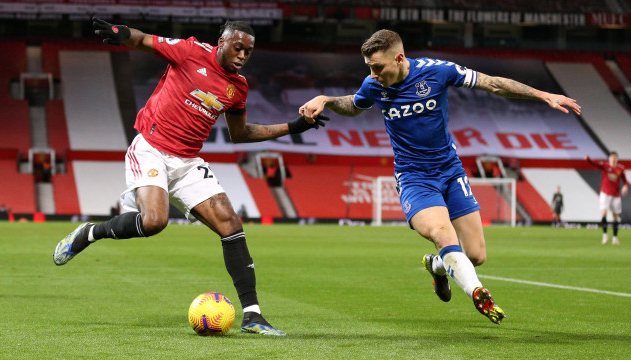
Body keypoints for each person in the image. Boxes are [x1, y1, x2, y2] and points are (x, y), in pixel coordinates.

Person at [53, 18, 329, 336]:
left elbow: (240, 133)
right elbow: (145, 41)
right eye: (237, 47)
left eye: (248, 52)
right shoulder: (190, 52)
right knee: (154, 222)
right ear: (221, 43)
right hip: (151, 148)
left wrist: (293, 127)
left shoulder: (237, 88)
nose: (242, 55)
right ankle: (90, 233)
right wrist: (124, 34)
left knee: (230, 223)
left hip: (187, 162)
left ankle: (253, 316)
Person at [299, 29, 581, 324]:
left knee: (476, 255)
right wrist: (327, 99)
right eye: (369, 67)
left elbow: (493, 84)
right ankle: (478, 293)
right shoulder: (374, 85)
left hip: (450, 171)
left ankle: (437, 265)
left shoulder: (437, 71)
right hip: (413, 177)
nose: (373, 73)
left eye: (378, 67)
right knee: (441, 233)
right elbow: (355, 106)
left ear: (399, 58)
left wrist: (543, 94)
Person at [585, 152, 628, 245]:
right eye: (611, 158)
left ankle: (615, 238)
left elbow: (625, 181)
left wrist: (625, 186)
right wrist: (588, 159)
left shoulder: (620, 169)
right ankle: (605, 234)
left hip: (616, 195)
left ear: (617, 159)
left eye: (615, 158)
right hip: (605, 193)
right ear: (609, 159)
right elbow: (595, 164)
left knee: (615, 217)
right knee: (604, 213)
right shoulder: (605, 166)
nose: (613, 159)